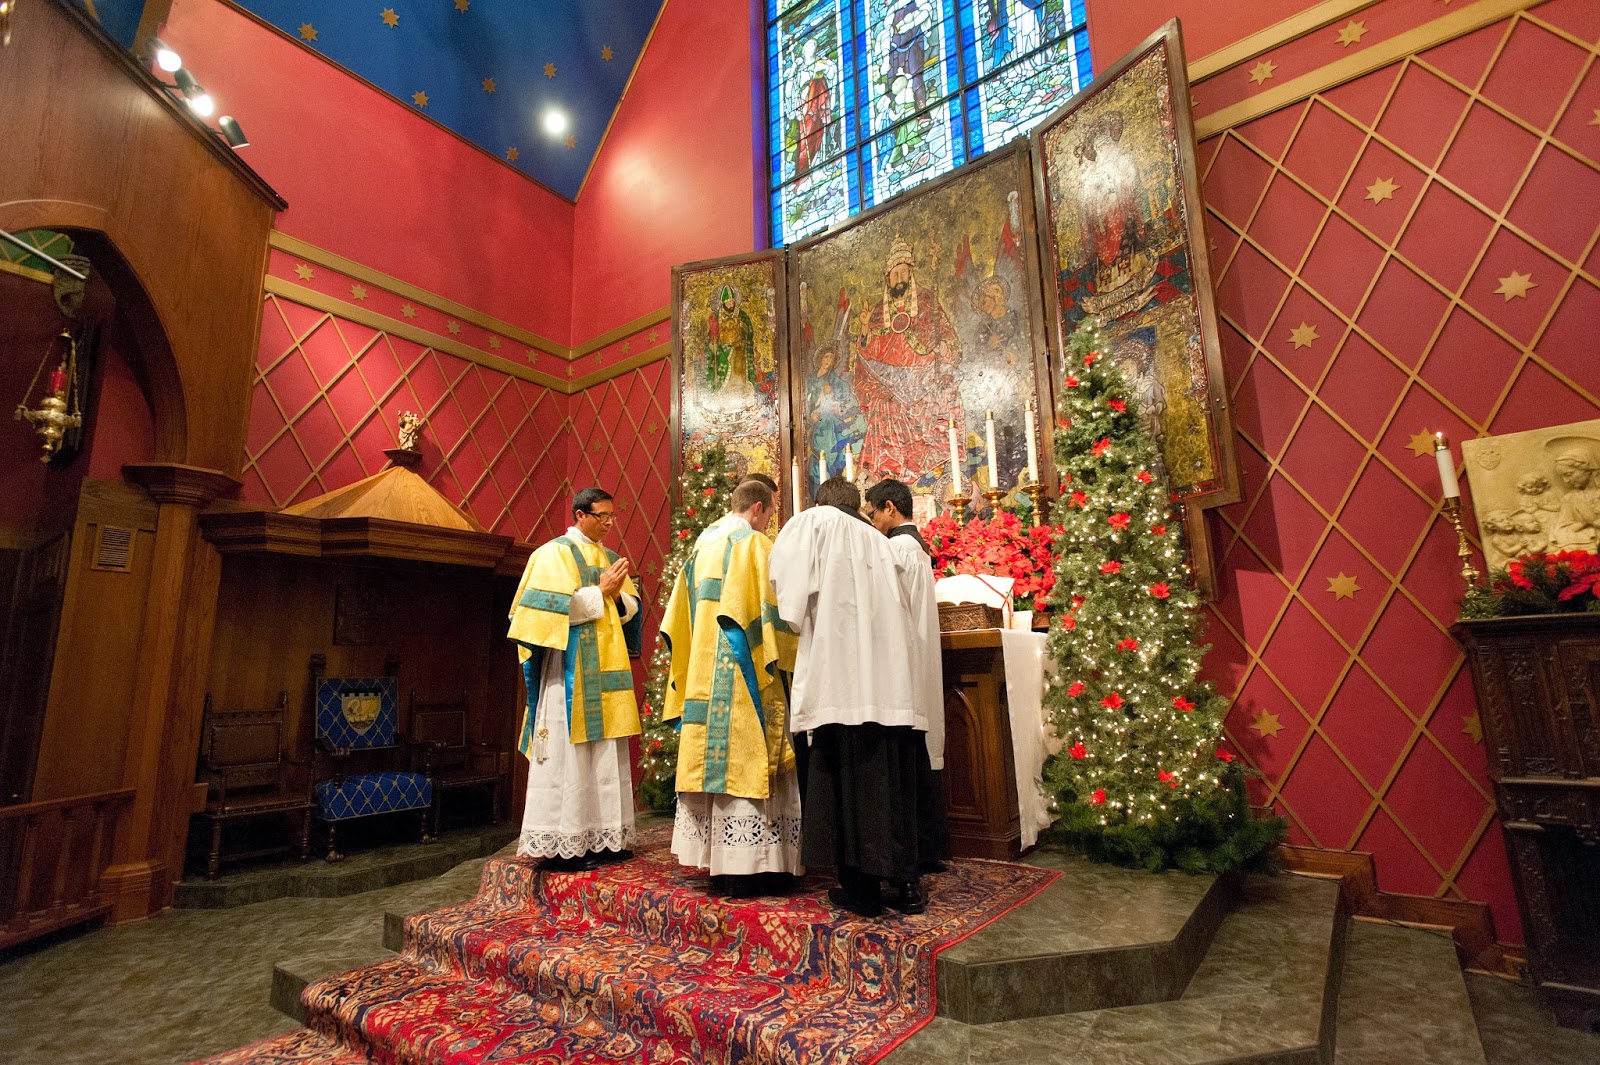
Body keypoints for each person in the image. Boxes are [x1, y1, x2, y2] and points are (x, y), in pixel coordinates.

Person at [769, 477, 929, 917]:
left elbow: (787, 594)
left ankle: (861, 890)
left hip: (841, 680)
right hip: (888, 682)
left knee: (846, 784)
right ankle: (902, 881)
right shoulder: (882, 541)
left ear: (821, 502)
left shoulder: (813, 523)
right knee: (886, 785)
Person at [661, 479, 801, 896]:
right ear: (758, 508)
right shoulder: (754, 545)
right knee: (749, 760)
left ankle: (719, 864)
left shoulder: (700, 549)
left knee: (714, 767)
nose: (770, 521)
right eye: (771, 512)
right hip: (745, 676)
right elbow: (775, 610)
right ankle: (755, 867)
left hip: (704, 673)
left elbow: (678, 620)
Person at [508, 487, 643, 872]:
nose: (609, 523)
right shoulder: (552, 554)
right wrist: (600, 592)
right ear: (580, 514)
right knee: (571, 758)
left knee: (605, 756)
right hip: (568, 673)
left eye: (612, 516)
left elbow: (630, 608)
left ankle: (605, 837)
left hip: (608, 670)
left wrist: (617, 597)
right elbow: (540, 614)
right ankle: (564, 843)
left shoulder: (610, 557)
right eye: (602, 516)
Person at [864, 477, 949, 874]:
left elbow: (887, 609)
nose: (872, 521)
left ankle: (915, 851)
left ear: (890, 508)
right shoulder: (916, 546)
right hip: (921, 653)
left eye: (873, 513)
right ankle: (929, 847)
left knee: (909, 756)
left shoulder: (897, 549)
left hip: (906, 659)